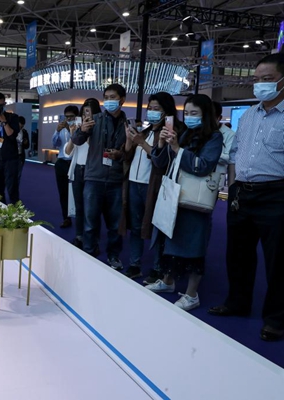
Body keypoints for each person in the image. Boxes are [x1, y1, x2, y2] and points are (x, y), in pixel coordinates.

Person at [209, 53, 284, 341]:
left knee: (277, 260)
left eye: (268, 79)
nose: (261, 84)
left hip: (276, 193)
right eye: (257, 79)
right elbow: (237, 152)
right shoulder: (250, 114)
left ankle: (276, 318)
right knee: (237, 254)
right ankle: (237, 302)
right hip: (242, 192)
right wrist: (233, 186)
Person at [145, 94, 223, 311]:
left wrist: (178, 148)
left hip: (195, 200)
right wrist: (162, 143)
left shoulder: (214, 137)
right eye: (186, 113)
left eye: (194, 113)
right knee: (169, 238)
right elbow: (160, 163)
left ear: (205, 114)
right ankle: (167, 281)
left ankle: (191, 294)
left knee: (193, 245)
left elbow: (203, 166)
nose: (189, 117)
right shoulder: (185, 133)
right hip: (174, 196)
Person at [120, 92, 186, 282]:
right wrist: (130, 140)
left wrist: (141, 143)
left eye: (157, 109)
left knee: (157, 226)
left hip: (154, 186)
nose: (152, 112)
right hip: (134, 183)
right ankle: (135, 264)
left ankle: (158, 268)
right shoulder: (146, 131)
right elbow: (127, 156)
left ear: (167, 111)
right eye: (150, 108)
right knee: (135, 226)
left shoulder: (170, 132)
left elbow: (160, 160)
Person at [71, 84, 128, 269]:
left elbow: (130, 153)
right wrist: (82, 130)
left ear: (122, 100)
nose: (109, 101)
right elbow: (77, 141)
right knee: (90, 222)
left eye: (113, 97)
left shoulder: (127, 124)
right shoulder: (94, 120)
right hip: (94, 177)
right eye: (106, 97)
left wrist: (120, 155)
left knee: (115, 225)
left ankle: (113, 256)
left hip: (116, 179)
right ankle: (89, 253)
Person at [65, 98, 100, 249]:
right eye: (84, 113)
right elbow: (67, 152)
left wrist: (88, 132)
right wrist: (75, 134)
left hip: (93, 171)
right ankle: (79, 236)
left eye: (89, 113)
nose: (86, 116)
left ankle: (92, 240)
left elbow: (94, 147)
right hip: (78, 170)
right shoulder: (78, 129)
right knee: (79, 207)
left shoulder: (99, 128)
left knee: (92, 209)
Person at [52, 106, 77, 228]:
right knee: (63, 192)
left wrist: (70, 130)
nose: (69, 119)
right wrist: (57, 131)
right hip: (62, 162)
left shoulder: (79, 128)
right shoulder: (60, 128)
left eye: (71, 117)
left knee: (77, 192)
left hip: (75, 163)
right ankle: (66, 218)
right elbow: (55, 144)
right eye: (67, 117)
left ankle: (79, 218)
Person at [212, 101, 236, 189]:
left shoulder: (230, 134)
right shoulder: (200, 132)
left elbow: (229, 158)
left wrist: (211, 153)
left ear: (219, 118)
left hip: (216, 178)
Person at [17, 116, 30, 184]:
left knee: (18, 175)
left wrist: (25, 143)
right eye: (20, 124)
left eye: (22, 125)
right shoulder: (11, 131)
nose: (21, 126)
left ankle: (15, 188)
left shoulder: (24, 132)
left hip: (20, 156)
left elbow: (27, 146)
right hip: (11, 156)